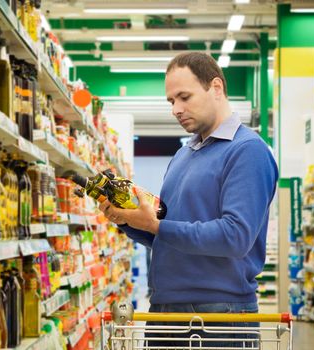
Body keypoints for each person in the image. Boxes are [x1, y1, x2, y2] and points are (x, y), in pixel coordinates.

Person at [99, 52, 278, 348]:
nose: (176, 109)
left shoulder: (247, 151)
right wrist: (128, 219)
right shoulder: (184, 155)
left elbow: (235, 236)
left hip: (218, 316)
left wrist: (157, 227)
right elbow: (170, 233)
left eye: (184, 97)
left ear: (216, 88)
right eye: (171, 101)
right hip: (165, 311)